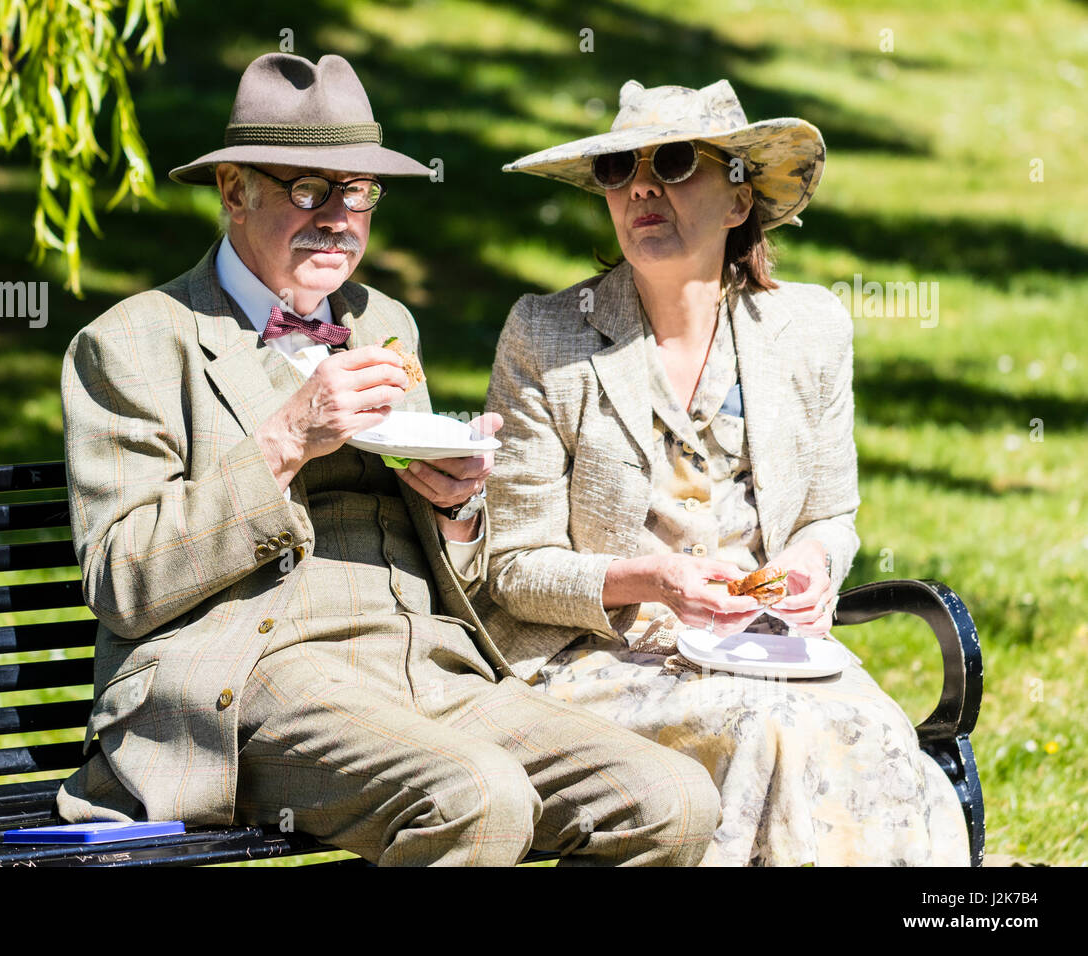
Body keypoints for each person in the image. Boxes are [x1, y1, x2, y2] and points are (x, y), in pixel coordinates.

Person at [55, 53, 720, 866]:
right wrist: (284, 441)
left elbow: (459, 568)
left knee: (671, 800)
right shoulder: (134, 341)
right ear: (235, 192)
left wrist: (457, 505)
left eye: (360, 192)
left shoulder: (382, 319)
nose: (339, 216)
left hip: (427, 664)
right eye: (309, 189)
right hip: (253, 675)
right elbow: (122, 578)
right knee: (475, 798)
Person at [475, 78, 970, 865]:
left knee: (875, 737)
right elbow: (510, 567)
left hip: (770, 652)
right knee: (768, 735)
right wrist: (653, 578)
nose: (641, 186)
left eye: (674, 161)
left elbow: (830, 518)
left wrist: (812, 564)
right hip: (599, 657)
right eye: (616, 170)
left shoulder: (808, 330)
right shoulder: (547, 335)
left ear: (740, 203)